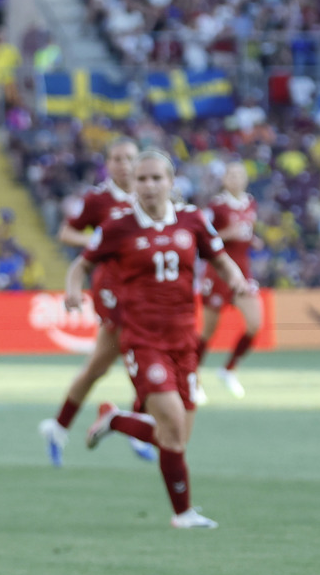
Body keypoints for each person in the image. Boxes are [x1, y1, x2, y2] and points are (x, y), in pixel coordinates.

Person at [67, 150, 250, 529]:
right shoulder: (118, 226)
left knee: (176, 436)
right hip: (142, 339)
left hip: (185, 340)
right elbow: (82, 263)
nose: (149, 186)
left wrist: (236, 278)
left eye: (156, 178)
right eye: (142, 179)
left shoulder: (193, 220)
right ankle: (182, 514)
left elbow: (219, 258)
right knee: (169, 419)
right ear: (132, 184)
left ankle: (117, 420)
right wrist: (73, 290)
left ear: (171, 181)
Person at [38, 138, 155, 465]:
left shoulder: (149, 197)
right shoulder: (98, 199)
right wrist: (98, 240)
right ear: (108, 163)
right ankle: (132, 426)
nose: (124, 164)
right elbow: (66, 233)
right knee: (143, 358)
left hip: (146, 289)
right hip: (113, 291)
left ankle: (60, 427)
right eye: (117, 158)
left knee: (98, 367)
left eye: (130, 158)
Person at [197, 161, 262, 399]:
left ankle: (228, 370)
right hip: (218, 273)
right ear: (224, 180)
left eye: (239, 174)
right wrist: (228, 235)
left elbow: (245, 230)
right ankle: (193, 377)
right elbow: (203, 239)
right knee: (208, 331)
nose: (235, 179)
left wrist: (251, 239)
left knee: (255, 324)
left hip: (242, 272)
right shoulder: (217, 206)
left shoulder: (250, 203)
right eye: (231, 175)